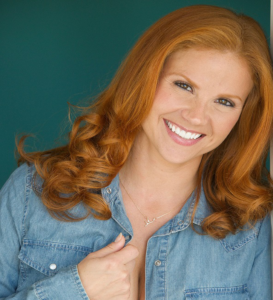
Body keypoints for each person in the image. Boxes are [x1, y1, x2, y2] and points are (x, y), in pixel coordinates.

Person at [0, 4, 272, 300]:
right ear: (144, 78)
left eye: (225, 102)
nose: (196, 117)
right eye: (184, 85)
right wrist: (73, 290)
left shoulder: (253, 226)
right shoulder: (31, 194)